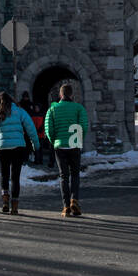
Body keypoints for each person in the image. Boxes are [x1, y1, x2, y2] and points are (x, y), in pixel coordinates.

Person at [0, 92, 38, 215]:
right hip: (18, 147)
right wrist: (35, 144)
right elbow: (30, 127)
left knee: (4, 174)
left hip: (3, 147)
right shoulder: (20, 111)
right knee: (15, 177)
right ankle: (14, 206)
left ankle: (5, 201)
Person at [44, 83, 90, 217]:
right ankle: (74, 200)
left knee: (64, 176)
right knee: (75, 174)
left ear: (60, 94)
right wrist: (79, 139)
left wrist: (54, 142)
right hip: (74, 144)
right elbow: (84, 125)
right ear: (71, 94)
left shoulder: (52, 109)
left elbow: (49, 128)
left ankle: (65, 206)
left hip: (60, 146)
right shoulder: (78, 108)